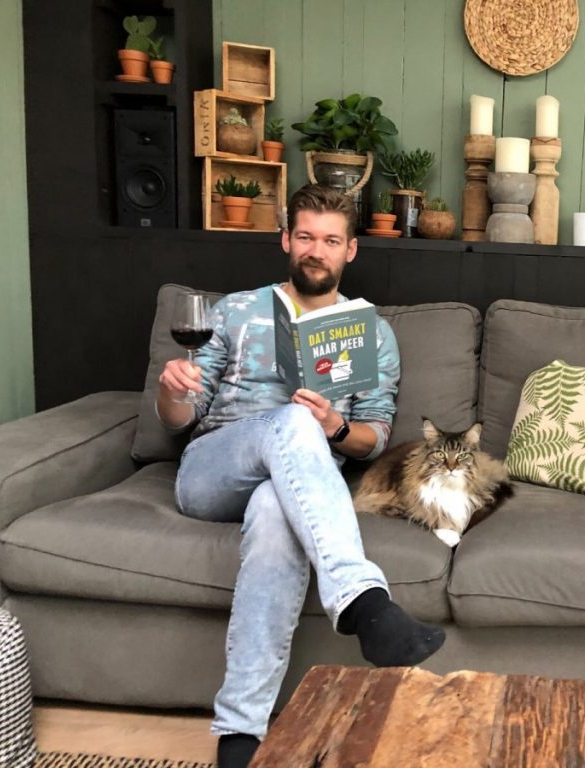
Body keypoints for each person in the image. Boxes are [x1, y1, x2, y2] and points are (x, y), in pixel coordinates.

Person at [156, 185, 445, 768]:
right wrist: (172, 390)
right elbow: (180, 419)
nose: (317, 250)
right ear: (287, 240)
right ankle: (363, 600)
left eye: (331, 241)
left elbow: (375, 436)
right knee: (290, 419)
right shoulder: (236, 310)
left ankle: (239, 735)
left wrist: (335, 426)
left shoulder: (370, 333)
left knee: (273, 510)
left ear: (350, 250)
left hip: (295, 487)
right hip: (214, 469)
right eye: (306, 237)